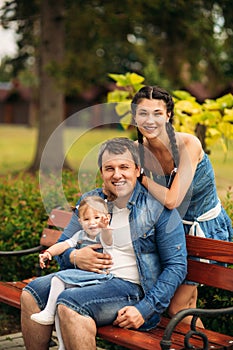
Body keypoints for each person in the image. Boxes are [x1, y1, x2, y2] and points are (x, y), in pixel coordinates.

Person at [21, 137, 187, 350]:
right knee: (31, 293)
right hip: (91, 279)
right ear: (102, 173)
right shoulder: (92, 201)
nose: (117, 175)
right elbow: (64, 244)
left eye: (124, 167)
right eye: (109, 168)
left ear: (138, 170)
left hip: (131, 288)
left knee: (71, 304)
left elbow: (177, 266)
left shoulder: (158, 209)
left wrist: (144, 309)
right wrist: (74, 256)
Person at [131, 85, 233, 327]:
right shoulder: (138, 151)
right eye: (143, 113)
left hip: (205, 233)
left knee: (177, 308)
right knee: (187, 307)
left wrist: (142, 178)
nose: (150, 120)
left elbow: (172, 200)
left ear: (168, 116)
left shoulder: (189, 144)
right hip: (172, 234)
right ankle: (200, 343)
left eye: (157, 113)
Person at [30, 195, 113, 326]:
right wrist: (48, 252)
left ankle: (48, 312)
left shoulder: (105, 233)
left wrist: (106, 227)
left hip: (99, 277)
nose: (92, 223)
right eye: (86, 219)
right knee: (61, 303)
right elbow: (64, 245)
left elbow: (109, 241)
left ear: (106, 218)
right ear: (80, 221)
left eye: (97, 218)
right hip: (83, 276)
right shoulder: (80, 235)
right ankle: (62, 345)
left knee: (58, 279)